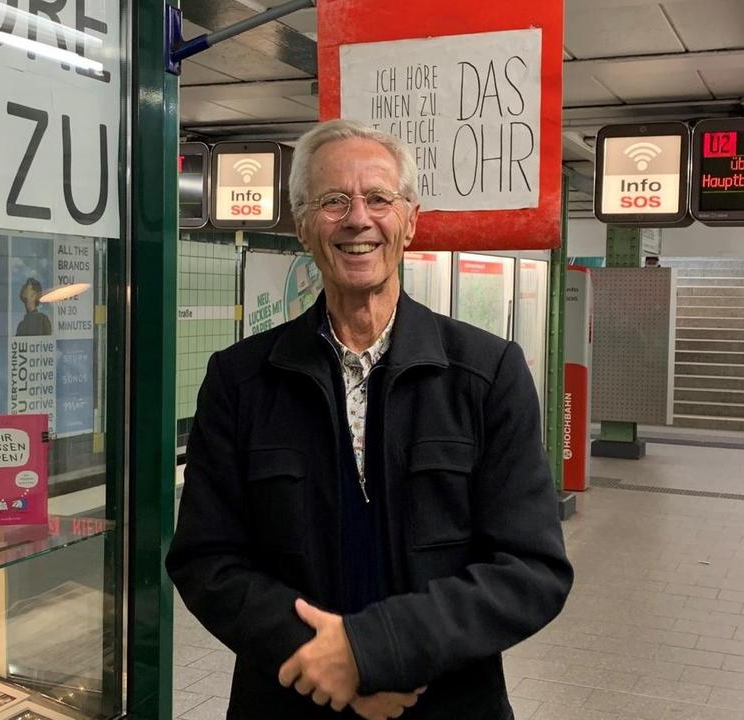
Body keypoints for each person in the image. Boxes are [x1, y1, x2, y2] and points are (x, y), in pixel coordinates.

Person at [166, 118, 572, 720]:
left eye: (379, 198)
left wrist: (378, 652)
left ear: (409, 220)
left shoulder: (487, 375)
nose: (358, 218)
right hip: (290, 700)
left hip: (447, 703)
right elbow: (207, 560)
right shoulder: (241, 381)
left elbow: (531, 569)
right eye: (333, 201)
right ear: (303, 224)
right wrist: (325, 662)